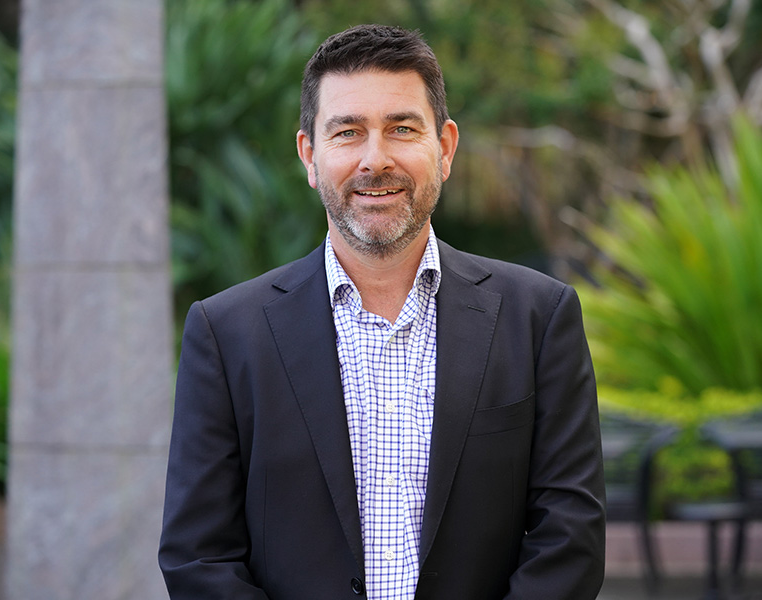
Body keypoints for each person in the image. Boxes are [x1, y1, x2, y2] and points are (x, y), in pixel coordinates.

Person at [159, 24, 605, 600]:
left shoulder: (539, 318)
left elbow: (570, 538)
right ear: (310, 155)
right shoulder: (226, 335)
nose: (376, 159)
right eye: (348, 132)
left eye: (402, 129)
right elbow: (199, 558)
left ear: (444, 148)